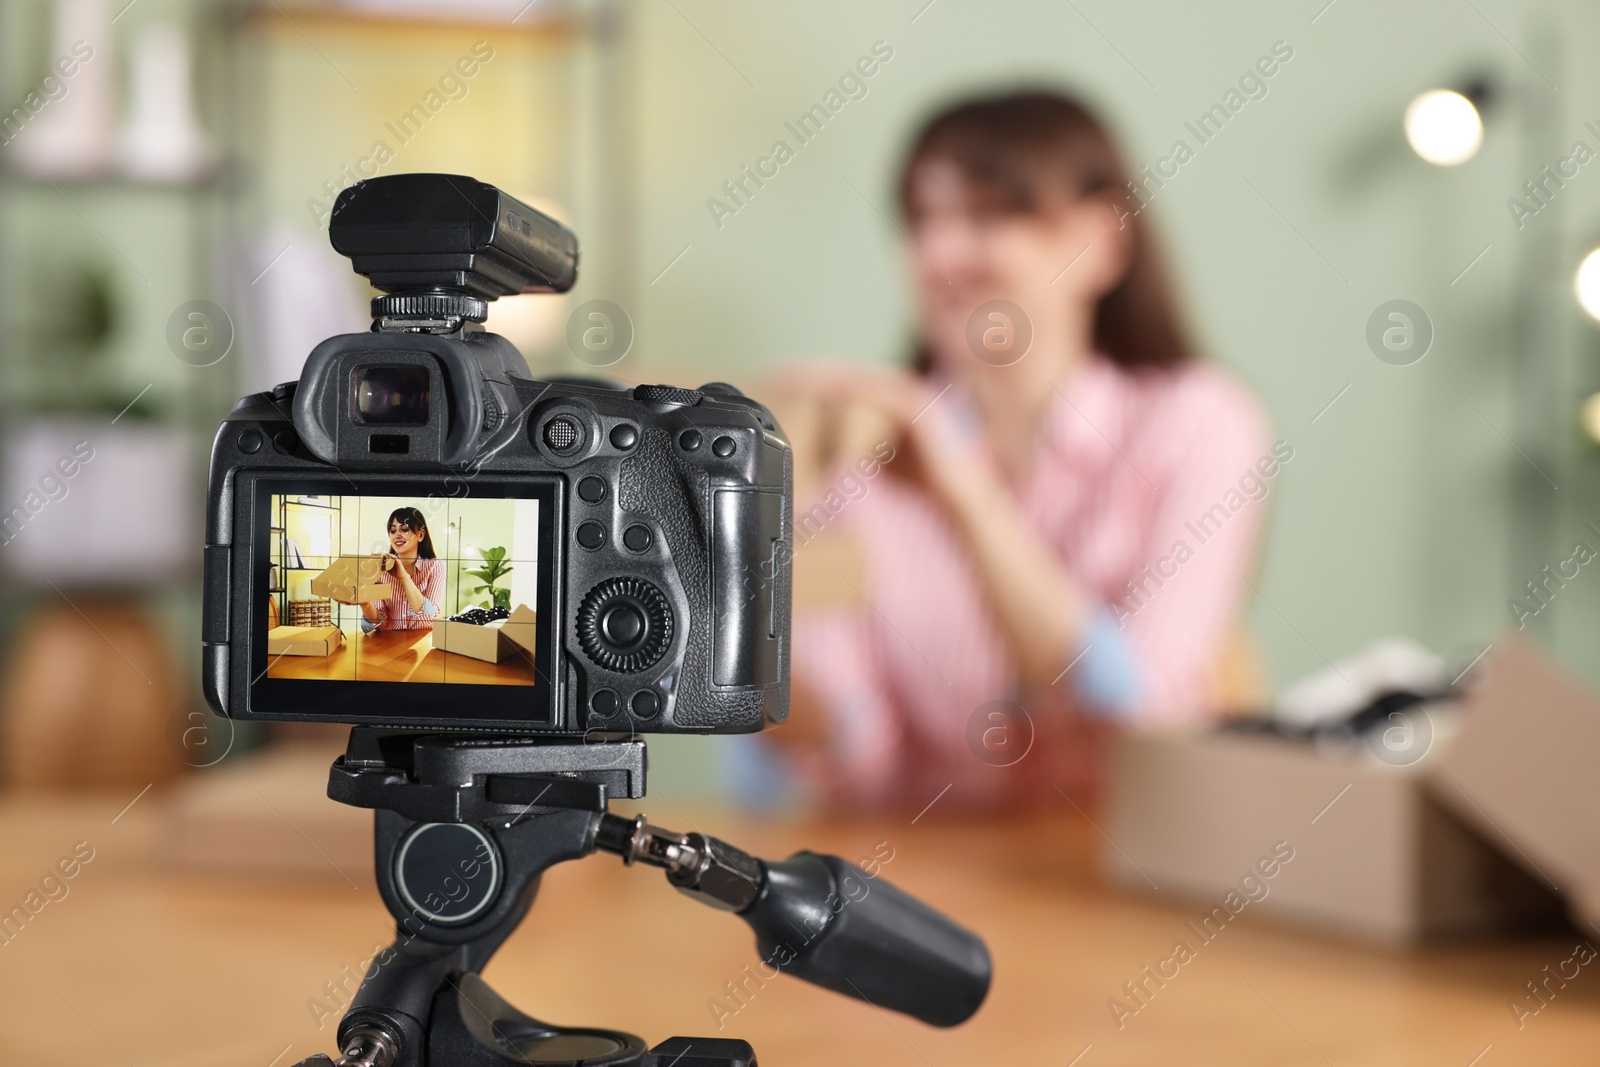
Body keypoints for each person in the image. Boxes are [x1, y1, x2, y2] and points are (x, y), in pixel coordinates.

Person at [768, 90, 1275, 814]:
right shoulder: (856, 453)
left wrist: (963, 495)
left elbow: (1136, 711)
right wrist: (738, 598)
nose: (938, 255)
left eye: (986, 215)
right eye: (920, 222)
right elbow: (856, 756)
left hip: (1121, 875)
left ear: (1102, 244)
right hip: (926, 874)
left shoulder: (1200, 422)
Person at [356, 506, 445, 632]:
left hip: (422, 640)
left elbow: (429, 613)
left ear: (420, 535)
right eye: (393, 531)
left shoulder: (435, 566)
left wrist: (403, 576)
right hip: (389, 641)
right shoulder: (381, 569)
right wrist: (365, 603)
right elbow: (381, 623)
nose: (397, 535)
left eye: (404, 530)